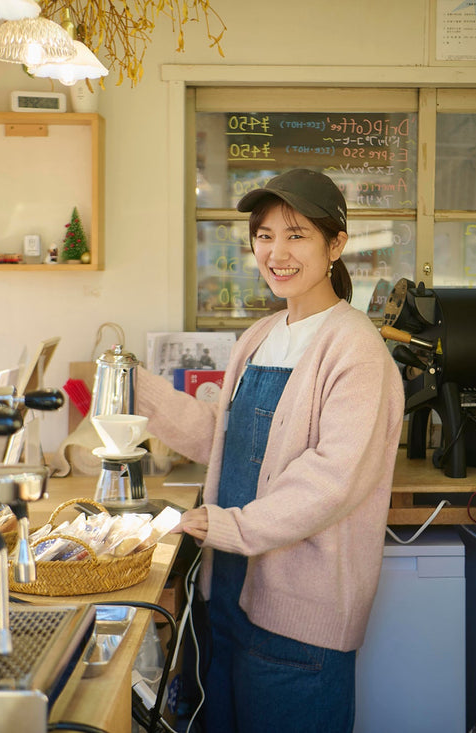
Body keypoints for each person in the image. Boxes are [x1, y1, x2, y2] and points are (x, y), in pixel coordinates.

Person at [134, 168, 404, 733]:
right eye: (263, 235)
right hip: (227, 591)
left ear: (336, 245)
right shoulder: (260, 335)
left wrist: (227, 524)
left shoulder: (356, 348)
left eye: (296, 235)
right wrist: (134, 385)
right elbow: (222, 436)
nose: (276, 252)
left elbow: (332, 479)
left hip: (299, 615)